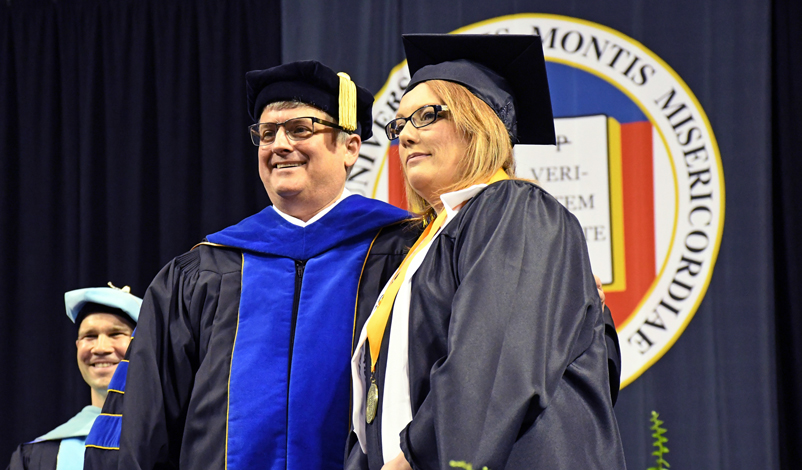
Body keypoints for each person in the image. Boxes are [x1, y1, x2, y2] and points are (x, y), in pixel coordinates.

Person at [83, 61, 414, 470]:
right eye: (267, 133)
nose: (279, 144)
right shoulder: (202, 270)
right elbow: (140, 421)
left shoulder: (403, 255)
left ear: (349, 147)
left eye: (300, 128)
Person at [349, 34, 626, 469]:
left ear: (478, 121)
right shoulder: (424, 246)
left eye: (426, 116)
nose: (405, 136)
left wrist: (410, 460)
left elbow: (490, 365)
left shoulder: (518, 212)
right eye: (398, 124)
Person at [7, 284, 141, 470]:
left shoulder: (169, 441)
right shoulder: (39, 456)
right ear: (77, 346)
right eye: (90, 336)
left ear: (141, 346)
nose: (100, 348)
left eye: (116, 333)